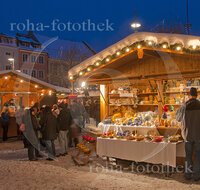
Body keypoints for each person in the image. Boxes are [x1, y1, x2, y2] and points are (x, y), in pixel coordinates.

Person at [176, 87, 200, 181]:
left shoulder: (183, 106)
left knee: (188, 156)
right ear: (196, 95)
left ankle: (188, 175)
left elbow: (178, 119)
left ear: (189, 95)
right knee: (198, 155)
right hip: (198, 135)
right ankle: (197, 176)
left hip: (187, 135)